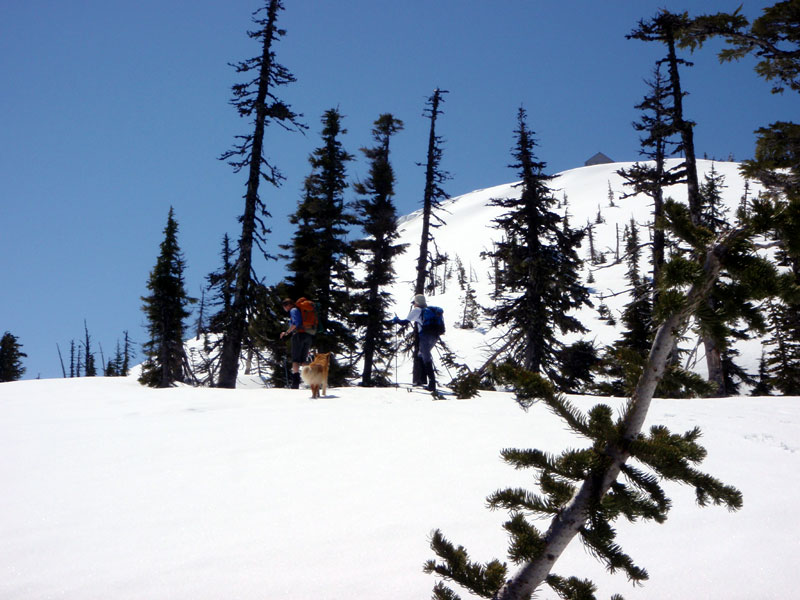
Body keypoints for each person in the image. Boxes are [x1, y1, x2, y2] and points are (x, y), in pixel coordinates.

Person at [392, 294, 440, 392]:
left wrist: (396, 320)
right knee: (421, 354)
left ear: (417, 303)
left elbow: (404, 322)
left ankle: (431, 383)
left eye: (414, 302)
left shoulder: (417, 310)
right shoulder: (430, 310)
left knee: (425, 356)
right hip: (434, 336)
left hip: (425, 336)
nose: (413, 304)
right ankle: (423, 380)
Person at [280, 298, 313, 389]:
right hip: (308, 335)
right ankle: (312, 381)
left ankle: (295, 383)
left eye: (284, 306)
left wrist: (286, 333)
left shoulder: (293, 310)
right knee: (303, 360)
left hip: (298, 335)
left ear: (288, 305)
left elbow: (295, 323)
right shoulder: (300, 310)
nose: (284, 309)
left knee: (295, 360)